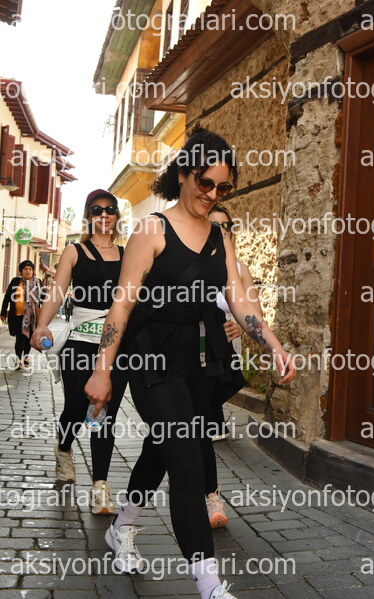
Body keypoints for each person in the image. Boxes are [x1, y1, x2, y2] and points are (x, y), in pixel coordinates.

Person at [84, 127, 296, 599]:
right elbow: (122, 305)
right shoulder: (151, 230)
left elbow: (239, 299)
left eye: (223, 187)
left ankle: (123, 526)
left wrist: (274, 345)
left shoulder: (221, 236)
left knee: (160, 450)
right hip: (152, 361)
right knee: (187, 466)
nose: (213, 194)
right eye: (205, 183)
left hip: (199, 363)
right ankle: (210, 585)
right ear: (183, 174)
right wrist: (102, 370)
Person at [31, 189, 128, 515]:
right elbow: (57, 293)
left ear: (116, 215)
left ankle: (100, 487)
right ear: (88, 216)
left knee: (105, 414)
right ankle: (64, 448)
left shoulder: (128, 254)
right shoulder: (75, 251)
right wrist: (42, 325)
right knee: (75, 407)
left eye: (109, 209)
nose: (104, 215)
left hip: (115, 346)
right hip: (80, 342)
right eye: (96, 210)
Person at [204, 203, 263, 530]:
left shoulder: (239, 268)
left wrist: (240, 326)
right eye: (214, 225)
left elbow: (255, 312)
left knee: (200, 420)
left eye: (225, 226)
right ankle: (209, 494)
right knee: (197, 423)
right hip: (191, 354)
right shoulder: (191, 263)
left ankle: (207, 493)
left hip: (224, 351)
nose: (220, 231)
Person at [1, 260, 41, 370]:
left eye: (30, 269)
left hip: (32, 317)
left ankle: (26, 357)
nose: (28, 271)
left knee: (29, 337)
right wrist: (3, 312)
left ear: (33, 271)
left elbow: (42, 299)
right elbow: (7, 297)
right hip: (18, 316)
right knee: (20, 338)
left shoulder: (37, 283)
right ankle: (18, 359)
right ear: (21, 271)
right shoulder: (15, 282)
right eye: (25, 269)